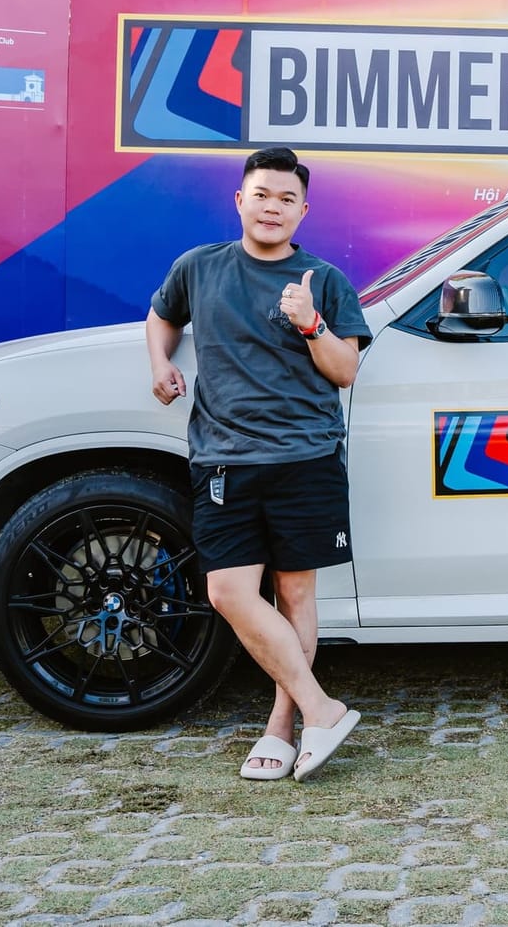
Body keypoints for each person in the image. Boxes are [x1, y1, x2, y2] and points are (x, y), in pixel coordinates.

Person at [145, 146, 370, 781]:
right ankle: (323, 708)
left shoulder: (323, 280)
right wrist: (160, 363)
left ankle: (281, 726)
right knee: (227, 592)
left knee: (294, 592)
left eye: (287, 199)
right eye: (263, 195)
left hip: (305, 457)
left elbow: (345, 371)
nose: (273, 207)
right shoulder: (199, 267)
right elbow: (161, 317)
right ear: (241, 200)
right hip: (223, 460)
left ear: (304, 210)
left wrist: (310, 323)